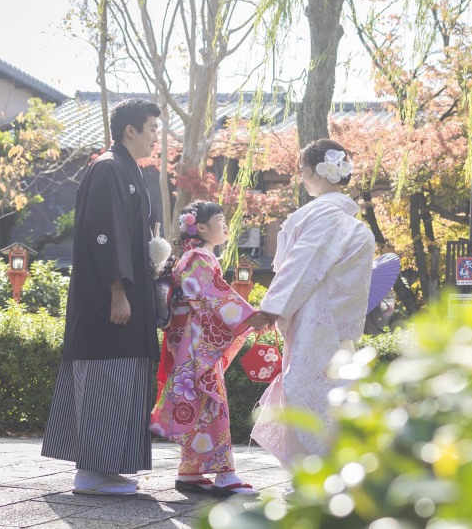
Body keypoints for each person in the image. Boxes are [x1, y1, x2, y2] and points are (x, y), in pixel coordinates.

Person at [41, 99, 161, 496]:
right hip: (109, 300)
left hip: (128, 295)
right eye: (152, 129)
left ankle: (107, 468)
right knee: (106, 374)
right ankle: (92, 471)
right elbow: (102, 235)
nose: (156, 137)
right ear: (131, 130)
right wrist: (117, 292)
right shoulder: (108, 168)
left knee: (123, 374)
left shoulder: (127, 171)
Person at [247, 139, 376, 469]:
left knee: (308, 390)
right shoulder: (345, 219)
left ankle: (318, 473)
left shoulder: (326, 216)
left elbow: (301, 263)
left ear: (313, 172)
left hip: (316, 321)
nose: (302, 179)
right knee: (330, 391)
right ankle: (335, 470)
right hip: (332, 321)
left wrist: (271, 308)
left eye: (303, 172)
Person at [150, 201, 268, 496]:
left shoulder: (192, 256)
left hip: (193, 340)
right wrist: (248, 316)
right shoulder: (196, 257)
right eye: (220, 219)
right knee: (213, 404)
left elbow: (211, 295)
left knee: (202, 404)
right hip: (195, 342)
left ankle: (190, 472)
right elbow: (212, 294)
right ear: (201, 228)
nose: (225, 224)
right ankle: (225, 475)